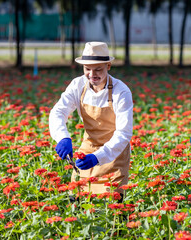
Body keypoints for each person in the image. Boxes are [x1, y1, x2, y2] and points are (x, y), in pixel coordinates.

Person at [49, 42, 133, 197]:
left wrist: (98, 157)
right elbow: (58, 111)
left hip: (114, 155)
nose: (92, 74)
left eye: (98, 69)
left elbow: (123, 134)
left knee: (113, 206)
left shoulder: (121, 91)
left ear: (108, 66)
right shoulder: (77, 85)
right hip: (87, 148)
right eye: (87, 69)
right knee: (77, 199)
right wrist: (62, 137)